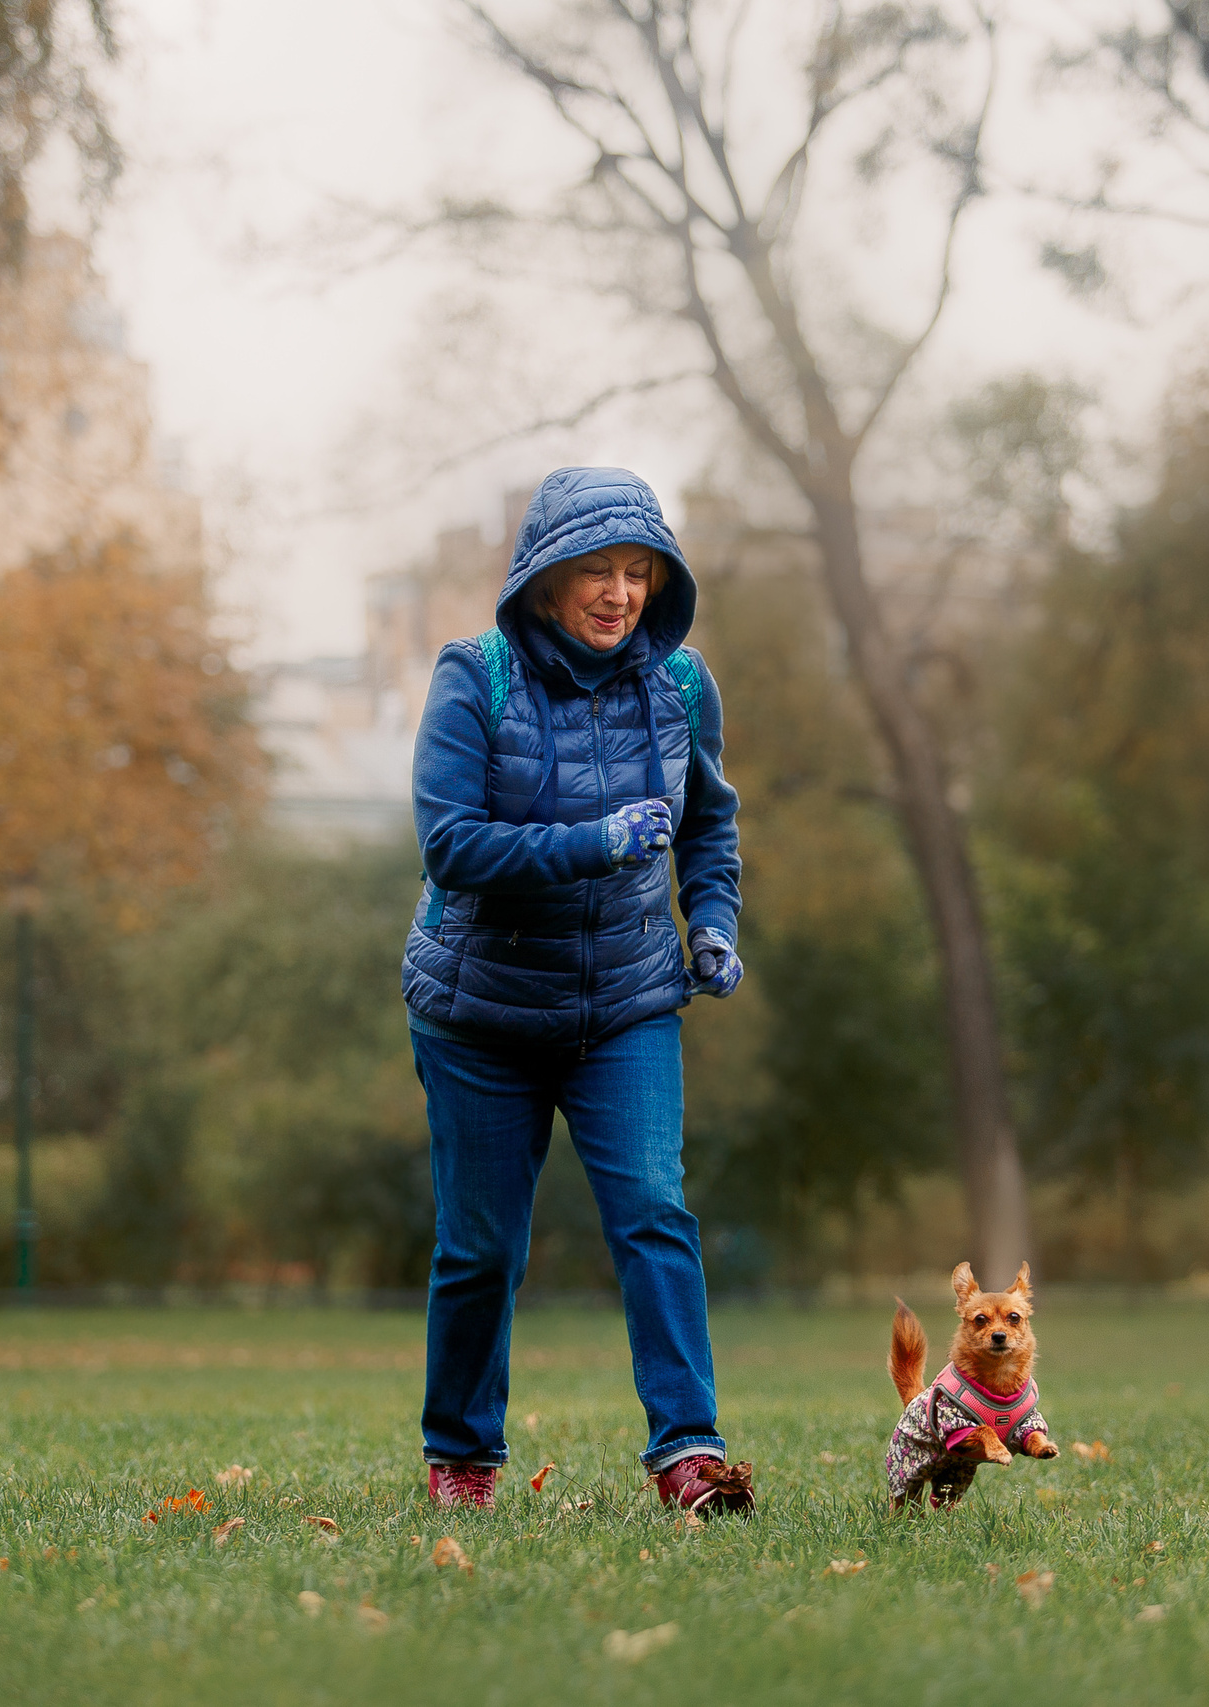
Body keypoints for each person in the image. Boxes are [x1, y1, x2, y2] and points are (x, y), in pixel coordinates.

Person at [400, 467, 753, 1514]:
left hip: (627, 1006)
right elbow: (450, 844)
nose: (619, 592)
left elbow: (709, 825)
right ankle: (462, 1457)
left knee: (655, 1211)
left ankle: (689, 1453)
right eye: (595, 570)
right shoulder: (476, 677)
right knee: (480, 1246)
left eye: (638, 571)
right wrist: (591, 842)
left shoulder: (682, 687)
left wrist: (717, 922)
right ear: (545, 581)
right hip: (481, 1013)